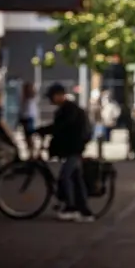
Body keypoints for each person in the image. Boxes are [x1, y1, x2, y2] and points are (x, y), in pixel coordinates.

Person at [36, 83, 94, 223]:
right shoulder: (67, 109)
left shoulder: (69, 110)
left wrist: (41, 131)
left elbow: (61, 127)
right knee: (76, 178)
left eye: (51, 97)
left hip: (74, 148)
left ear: (59, 95)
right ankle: (84, 210)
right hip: (74, 148)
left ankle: (71, 208)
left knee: (66, 176)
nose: (50, 100)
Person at [19, 82, 38, 158]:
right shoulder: (31, 99)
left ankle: (31, 153)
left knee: (28, 136)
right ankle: (31, 152)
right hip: (28, 118)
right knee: (28, 136)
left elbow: (26, 111)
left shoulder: (28, 100)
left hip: (27, 118)